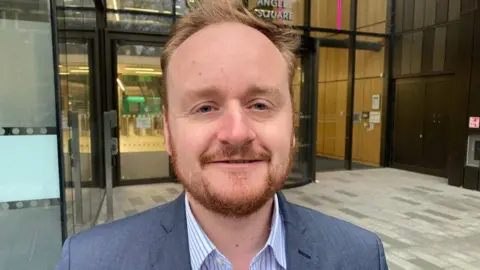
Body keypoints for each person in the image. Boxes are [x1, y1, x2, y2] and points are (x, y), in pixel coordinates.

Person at [55, 0, 388, 269]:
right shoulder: (89, 262)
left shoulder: (360, 257)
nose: (236, 133)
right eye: (205, 107)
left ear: (292, 127)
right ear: (168, 133)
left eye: (259, 104)